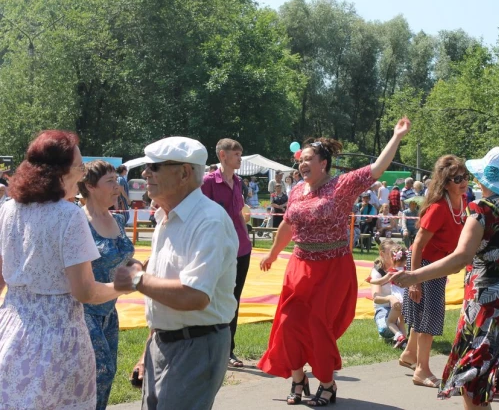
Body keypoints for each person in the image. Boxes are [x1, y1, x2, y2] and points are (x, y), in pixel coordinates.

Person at [258, 117, 411, 406]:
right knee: (288, 324)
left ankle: (327, 384)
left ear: (324, 164)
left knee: (317, 326)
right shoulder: (296, 191)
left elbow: (377, 168)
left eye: (308, 160)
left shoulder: (342, 185)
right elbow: (287, 226)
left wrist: (397, 136)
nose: (302, 164)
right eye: (301, 160)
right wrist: (274, 252)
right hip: (299, 266)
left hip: (332, 269)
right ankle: (298, 378)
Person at [394, 146, 499, 410]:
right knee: (478, 383)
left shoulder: (481, 211)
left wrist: (414, 275)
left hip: (488, 306)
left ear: (484, 179)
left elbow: (460, 259)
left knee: (471, 384)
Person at [0, 130, 127, 408]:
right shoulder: (69, 216)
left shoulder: (8, 210)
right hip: (58, 339)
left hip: (10, 330)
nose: (82, 175)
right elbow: (84, 291)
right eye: (79, 167)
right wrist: (124, 285)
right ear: (60, 172)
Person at [115, 136, 238, 410]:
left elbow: (194, 296)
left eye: (155, 167)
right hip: (166, 342)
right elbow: (164, 295)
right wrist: (147, 351)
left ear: (184, 173)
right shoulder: (166, 217)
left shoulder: (209, 221)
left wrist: (137, 279)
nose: (146, 173)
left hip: (197, 344)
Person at [398, 155, 468, 387]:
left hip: (438, 266)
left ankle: (410, 354)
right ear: (446, 182)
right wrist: (414, 281)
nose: (463, 181)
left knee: (424, 313)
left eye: (465, 176)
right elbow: (417, 244)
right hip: (424, 265)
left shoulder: (463, 201)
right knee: (429, 316)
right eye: (457, 178)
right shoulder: (438, 208)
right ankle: (422, 370)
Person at [78, 160, 139, 409]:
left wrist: (138, 266)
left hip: (109, 312)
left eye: (117, 180)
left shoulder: (117, 220)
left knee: (107, 374)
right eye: (110, 182)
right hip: (84, 312)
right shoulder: (78, 222)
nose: (118, 187)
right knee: (99, 372)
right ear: (90, 186)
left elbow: (123, 257)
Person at [201, 138, 252, 368]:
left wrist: (245, 227)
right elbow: (200, 213)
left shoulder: (239, 182)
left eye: (240, 154)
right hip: (217, 249)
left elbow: (239, 211)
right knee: (211, 297)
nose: (240, 158)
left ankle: (228, 350)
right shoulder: (208, 181)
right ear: (223, 155)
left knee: (234, 299)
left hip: (241, 248)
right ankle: (208, 347)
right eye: (237, 154)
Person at [369, 242, 409, 349]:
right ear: (382, 254)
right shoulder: (378, 271)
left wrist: (370, 281)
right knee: (390, 327)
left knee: (391, 322)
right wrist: (390, 298)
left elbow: (380, 281)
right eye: (389, 253)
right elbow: (376, 298)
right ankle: (404, 340)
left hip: (398, 303)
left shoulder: (391, 272)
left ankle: (400, 337)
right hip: (389, 305)